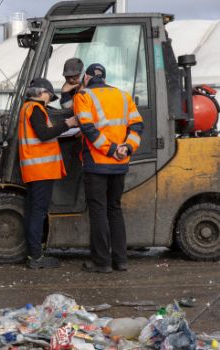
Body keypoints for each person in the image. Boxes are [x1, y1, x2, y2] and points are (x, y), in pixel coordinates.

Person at [73, 63, 144, 273]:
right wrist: (127, 147)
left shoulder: (83, 96)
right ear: (104, 78)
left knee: (98, 211)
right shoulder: (123, 96)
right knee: (114, 209)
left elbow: (87, 128)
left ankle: (102, 262)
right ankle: (121, 260)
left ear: (86, 78)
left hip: (97, 164)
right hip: (120, 164)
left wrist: (111, 149)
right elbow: (137, 126)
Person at [18, 78, 78, 269]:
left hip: (35, 168)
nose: (50, 99)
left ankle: (34, 254)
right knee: (38, 212)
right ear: (41, 93)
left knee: (33, 211)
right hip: (41, 170)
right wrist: (68, 124)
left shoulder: (27, 109)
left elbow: (42, 134)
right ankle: (36, 257)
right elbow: (44, 134)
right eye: (49, 95)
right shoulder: (35, 109)